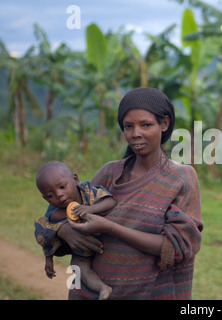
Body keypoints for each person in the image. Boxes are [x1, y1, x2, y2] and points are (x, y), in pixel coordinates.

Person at [34, 87, 203, 299]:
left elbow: (176, 247)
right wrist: (64, 231)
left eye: (146, 125)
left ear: (165, 124)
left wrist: (110, 227)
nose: (135, 133)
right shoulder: (108, 174)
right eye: (128, 126)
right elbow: (59, 212)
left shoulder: (181, 178)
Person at [35, 161, 116, 300]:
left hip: (105, 242)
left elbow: (110, 202)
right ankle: (102, 288)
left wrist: (90, 209)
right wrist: (48, 259)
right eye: (50, 195)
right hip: (82, 251)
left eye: (62, 187)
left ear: (75, 180)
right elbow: (46, 234)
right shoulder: (55, 213)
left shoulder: (89, 192)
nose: (59, 195)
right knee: (77, 267)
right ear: (45, 198)